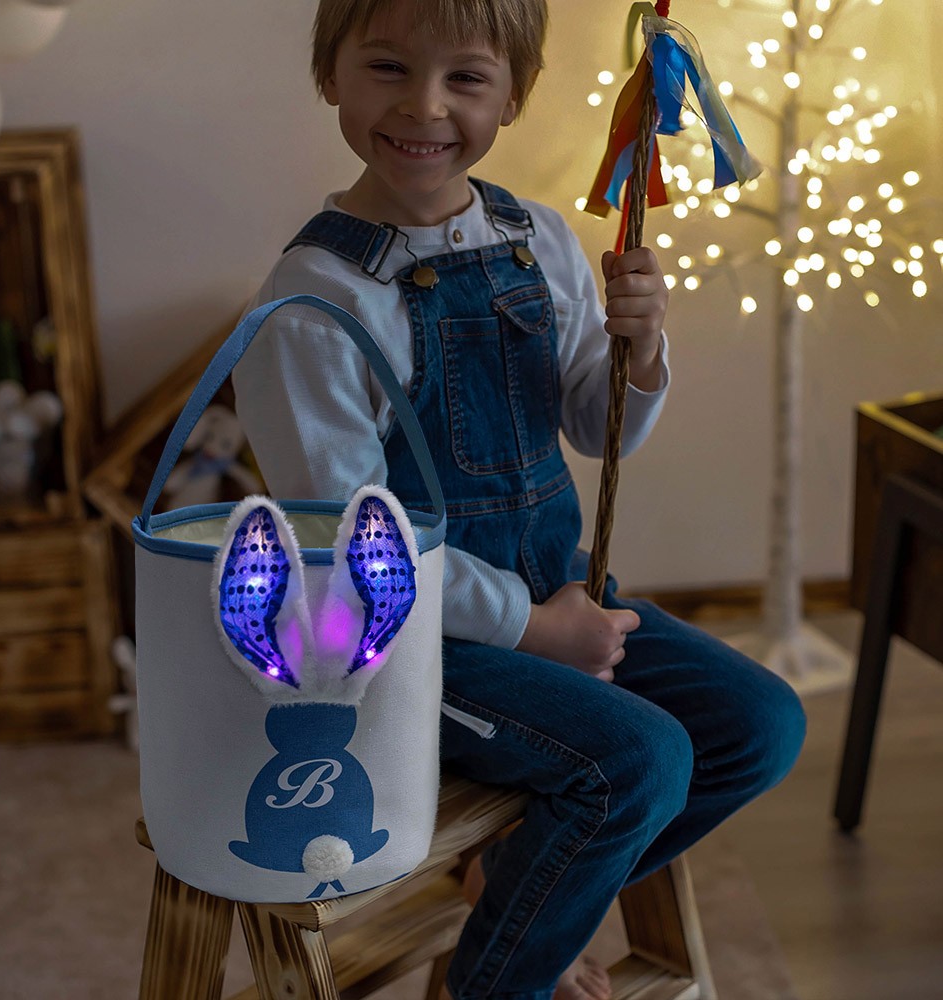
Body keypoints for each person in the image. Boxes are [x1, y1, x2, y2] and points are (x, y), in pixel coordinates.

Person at [232, 1, 807, 997]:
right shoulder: (314, 306)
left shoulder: (533, 237)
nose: (424, 105)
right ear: (329, 73)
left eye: (466, 78)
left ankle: (523, 892)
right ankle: (498, 980)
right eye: (386, 67)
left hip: (557, 596)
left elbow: (595, 424)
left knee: (756, 722)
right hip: (401, 651)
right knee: (637, 760)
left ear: (513, 95)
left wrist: (642, 349)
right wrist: (531, 631)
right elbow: (350, 554)